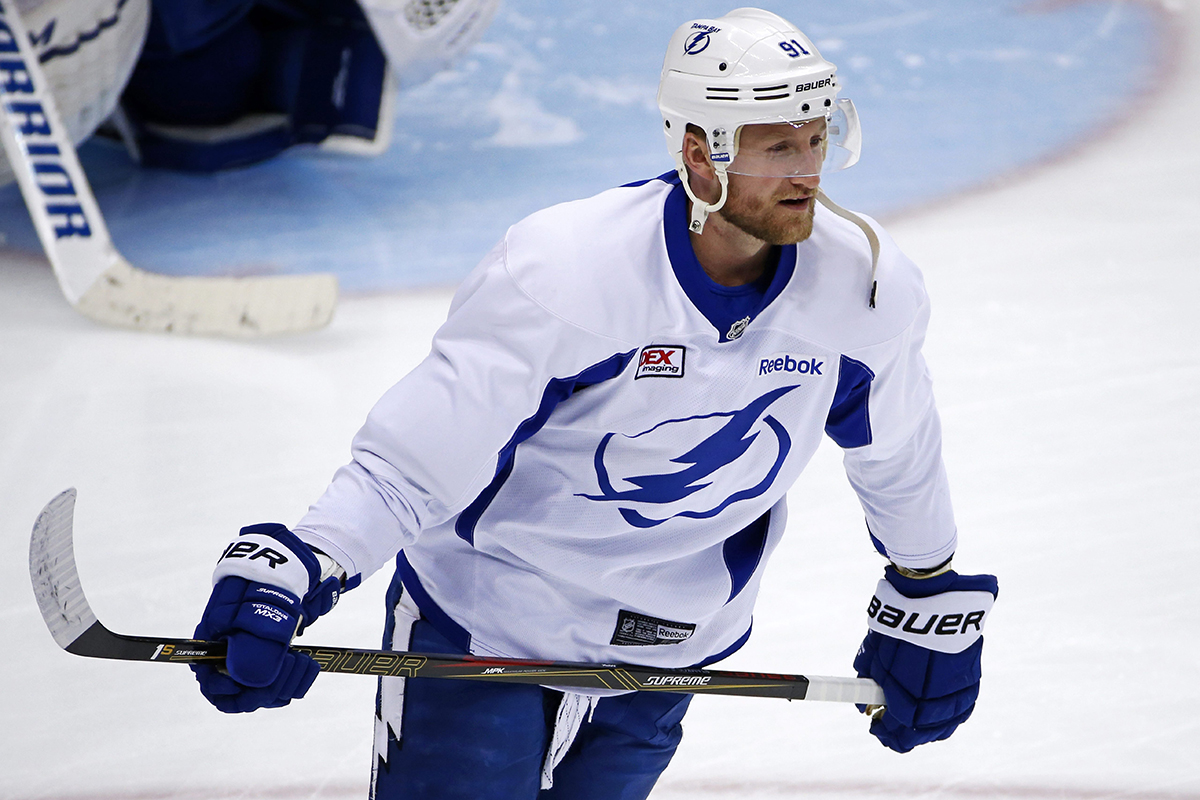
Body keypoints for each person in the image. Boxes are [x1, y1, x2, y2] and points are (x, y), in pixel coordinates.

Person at [190, 8, 999, 799]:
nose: (807, 171)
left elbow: (897, 451)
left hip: (673, 648)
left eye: (816, 138)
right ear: (699, 152)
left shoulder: (863, 287)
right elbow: (415, 464)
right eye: (778, 145)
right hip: (489, 629)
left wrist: (925, 586)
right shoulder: (569, 271)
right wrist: (298, 566)